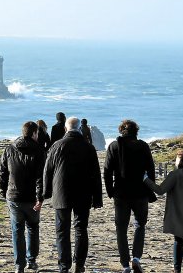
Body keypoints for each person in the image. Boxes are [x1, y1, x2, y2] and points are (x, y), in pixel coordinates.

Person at [43, 117, 103, 273]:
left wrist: (46, 192)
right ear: (79, 129)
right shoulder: (88, 147)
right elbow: (96, 174)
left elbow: (47, 171)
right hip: (83, 194)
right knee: (81, 229)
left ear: (65, 129)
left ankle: (64, 265)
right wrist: (97, 198)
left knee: (62, 230)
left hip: (61, 192)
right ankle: (80, 263)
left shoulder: (57, 145)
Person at [104, 120, 157, 273]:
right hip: (140, 193)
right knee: (140, 225)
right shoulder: (143, 146)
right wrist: (150, 188)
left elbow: (107, 171)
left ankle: (125, 265)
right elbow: (150, 169)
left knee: (121, 228)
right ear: (136, 131)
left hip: (121, 193)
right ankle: (136, 258)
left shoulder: (114, 146)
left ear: (122, 131)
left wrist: (110, 191)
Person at [0, 121, 45, 273]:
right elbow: (41, 177)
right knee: (33, 228)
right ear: (33, 133)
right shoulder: (39, 151)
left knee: (17, 230)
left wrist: (3, 190)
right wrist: (40, 197)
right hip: (31, 198)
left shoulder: (9, 149)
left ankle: (19, 264)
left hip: (13, 196)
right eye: (37, 133)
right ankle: (31, 260)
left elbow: (3, 172)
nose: (38, 136)